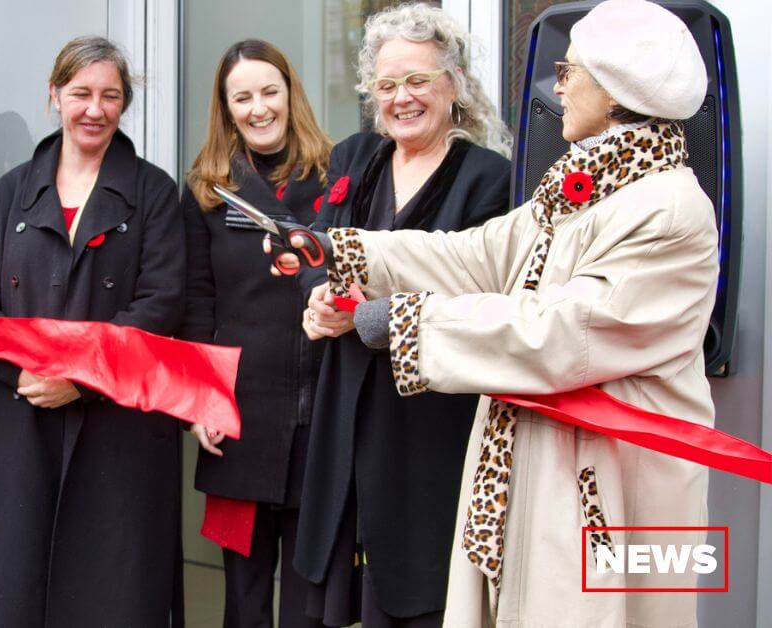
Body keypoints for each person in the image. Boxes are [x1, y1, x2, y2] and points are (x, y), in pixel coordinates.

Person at [274, 0, 715, 624]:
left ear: (616, 90)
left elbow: (563, 334)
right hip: (553, 469)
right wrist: (345, 247)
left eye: (571, 71)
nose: (556, 86)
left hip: (613, 489)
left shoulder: (667, 209)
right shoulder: (586, 185)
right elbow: (475, 256)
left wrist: (404, 323)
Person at [274, 4, 513, 627]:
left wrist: (369, 315)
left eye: (417, 81)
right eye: (386, 85)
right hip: (344, 409)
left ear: (453, 85)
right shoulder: (354, 158)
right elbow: (321, 255)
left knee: (414, 589)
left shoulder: (492, 180)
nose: (401, 99)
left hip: (427, 420)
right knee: (335, 591)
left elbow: (481, 297)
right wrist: (319, 303)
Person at [0, 36, 186, 626]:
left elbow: (160, 304)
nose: (95, 108)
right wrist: (23, 371)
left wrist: (81, 377)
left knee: (109, 593)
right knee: (15, 590)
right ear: (54, 95)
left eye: (110, 95)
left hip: (118, 430)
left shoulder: (153, 191)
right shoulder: (12, 191)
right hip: (18, 422)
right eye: (81, 92)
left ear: (124, 103)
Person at [180, 39, 332, 628]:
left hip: (318, 416)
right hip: (236, 421)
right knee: (242, 599)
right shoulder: (204, 191)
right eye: (242, 97)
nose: (258, 107)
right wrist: (199, 401)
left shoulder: (335, 178)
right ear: (226, 107)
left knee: (308, 597)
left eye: (270, 91)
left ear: (291, 95)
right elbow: (195, 306)